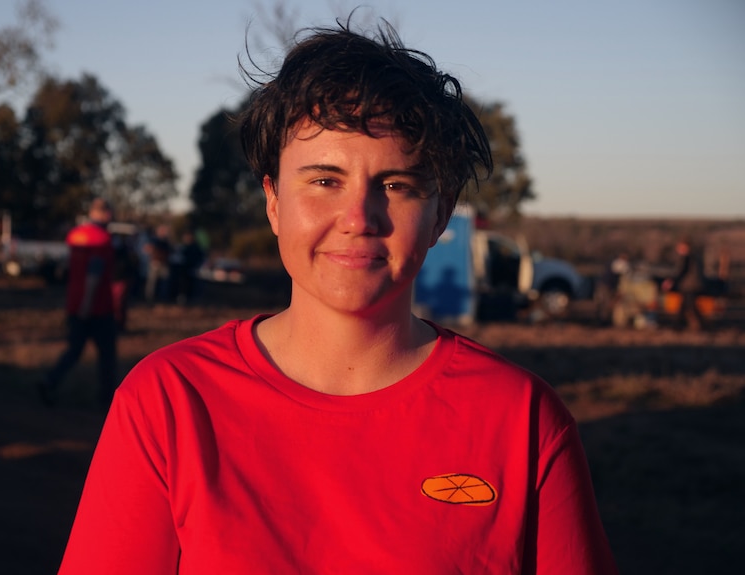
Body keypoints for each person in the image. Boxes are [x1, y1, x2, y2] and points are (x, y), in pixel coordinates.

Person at [58, 20, 618, 574]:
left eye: (396, 186)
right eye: (324, 181)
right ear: (273, 201)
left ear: (440, 212)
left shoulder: (521, 420)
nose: (358, 219)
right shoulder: (170, 403)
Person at [39, 198, 118, 407]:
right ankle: (108, 400)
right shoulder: (102, 238)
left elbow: (68, 267)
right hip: (97, 307)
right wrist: (88, 302)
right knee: (107, 356)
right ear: (105, 214)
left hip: (74, 303)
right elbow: (94, 272)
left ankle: (50, 381)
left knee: (74, 350)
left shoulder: (75, 235)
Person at [662, 237, 705, 331]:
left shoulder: (686, 258)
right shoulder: (695, 257)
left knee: (689, 306)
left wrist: (671, 281)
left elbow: (681, 271)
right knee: (686, 306)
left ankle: (678, 326)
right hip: (692, 285)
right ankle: (678, 326)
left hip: (689, 286)